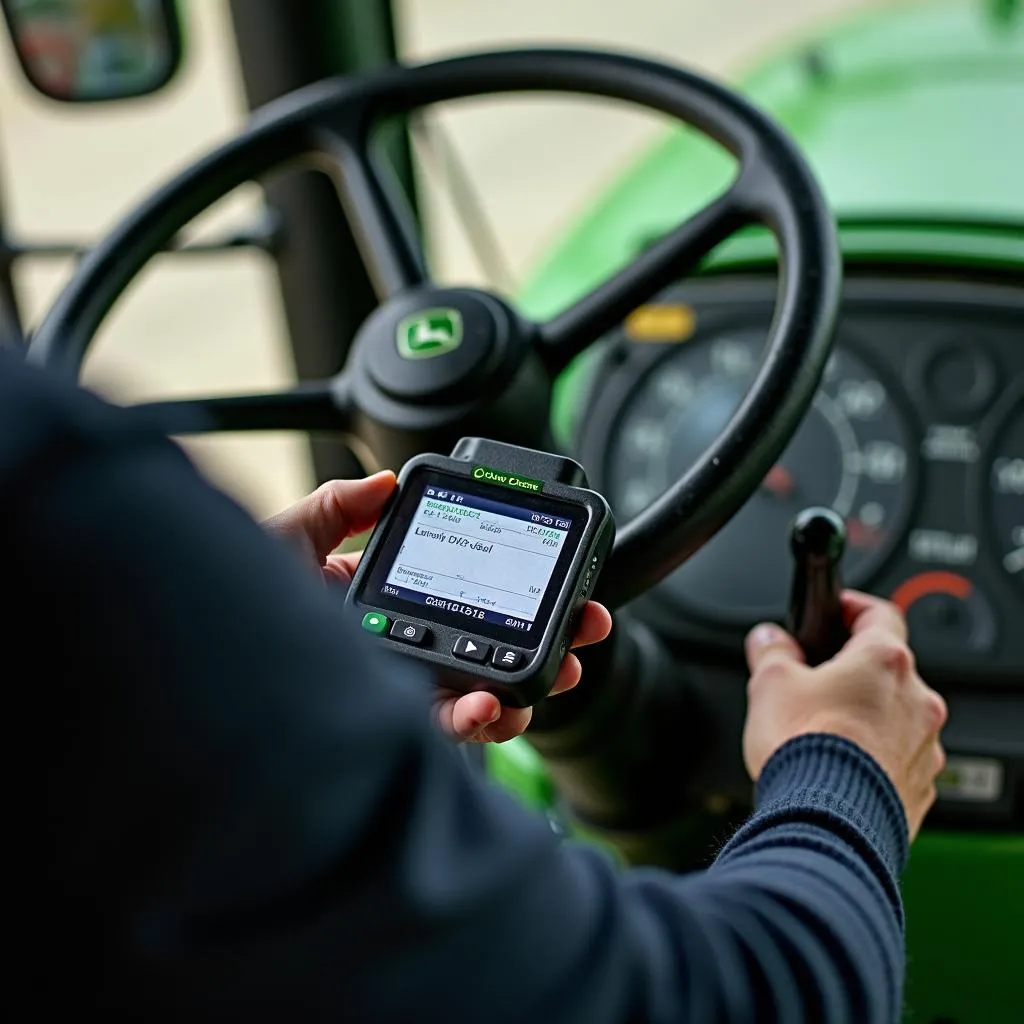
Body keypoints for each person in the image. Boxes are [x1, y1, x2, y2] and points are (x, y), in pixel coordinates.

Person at [4, 351, 946, 1021]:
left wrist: (236, 641)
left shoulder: (57, 495)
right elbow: (733, 998)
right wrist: (845, 764)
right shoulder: (63, 503)